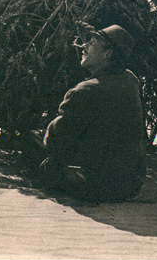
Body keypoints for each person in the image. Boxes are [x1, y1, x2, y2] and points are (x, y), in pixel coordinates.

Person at [40, 22, 146, 202]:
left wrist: (45, 131)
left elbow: (54, 142)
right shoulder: (130, 80)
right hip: (130, 184)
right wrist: (90, 41)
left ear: (107, 54)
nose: (84, 45)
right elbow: (98, 76)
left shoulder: (84, 91)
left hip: (95, 186)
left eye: (92, 43)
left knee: (31, 141)